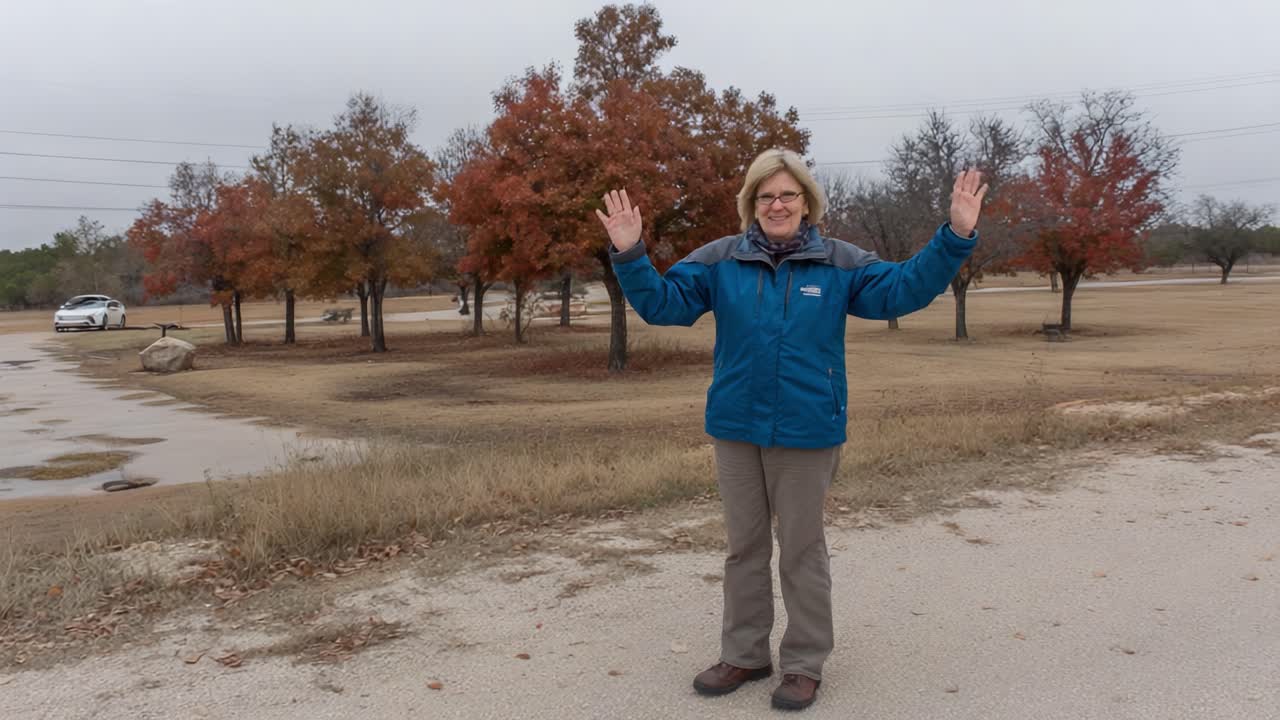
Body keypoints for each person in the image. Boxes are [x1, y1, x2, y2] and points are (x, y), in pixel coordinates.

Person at [594, 148, 987, 711]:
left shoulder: (839, 262)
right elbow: (663, 307)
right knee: (744, 548)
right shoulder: (719, 260)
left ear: (807, 202)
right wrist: (630, 252)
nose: (777, 204)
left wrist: (955, 234)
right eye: (765, 195)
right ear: (751, 204)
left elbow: (904, 290)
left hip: (807, 429)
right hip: (736, 426)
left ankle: (804, 663)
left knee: (801, 550)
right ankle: (745, 654)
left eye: (788, 195)